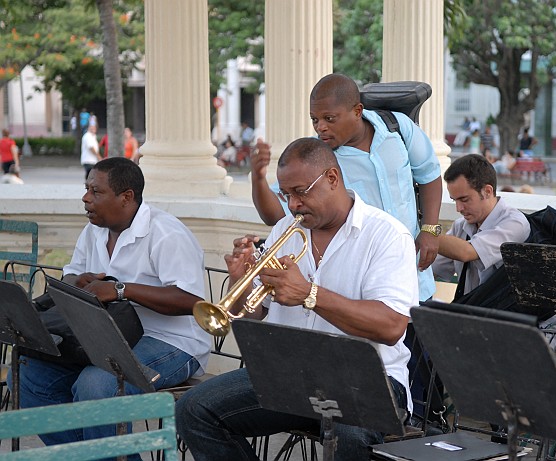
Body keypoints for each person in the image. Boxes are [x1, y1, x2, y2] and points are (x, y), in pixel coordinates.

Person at [176, 137, 417, 461]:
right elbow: (252, 316)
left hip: (370, 382)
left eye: (301, 192)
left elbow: (391, 327)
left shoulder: (387, 235)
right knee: (194, 409)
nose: (292, 205)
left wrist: (309, 294)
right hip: (289, 376)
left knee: (349, 434)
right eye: (286, 194)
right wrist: (240, 282)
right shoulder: (284, 231)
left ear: (332, 178)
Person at [15, 157, 211, 460]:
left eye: (95, 191)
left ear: (126, 197)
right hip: (105, 335)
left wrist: (121, 289)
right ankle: (99, 456)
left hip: (172, 343)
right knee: (35, 375)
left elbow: (191, 301)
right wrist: (76, 281)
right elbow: (71, 272)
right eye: (86, 189)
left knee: (98, 384)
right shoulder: (94, 230)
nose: (85, 198)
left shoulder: (166, 233)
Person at [249, 73, 442, 302]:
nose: (320, 127)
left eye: (329, 118)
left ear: (357, 111)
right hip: (367, 279)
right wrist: (258, 178)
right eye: (314, 119)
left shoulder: (398, 128)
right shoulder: (319, 158)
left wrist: (430, 229)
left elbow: (429, 174)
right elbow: (275, 214)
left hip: (416, 271)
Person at [432, 154, 530, 296]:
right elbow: (431, 269)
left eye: (464, 199)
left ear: (487, 191)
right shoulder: (460, 227)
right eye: (455, 201)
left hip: (510, 316)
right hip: (475, 313)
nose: (458, 208)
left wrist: (425, 232)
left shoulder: (514, 223)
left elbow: (466, 252)